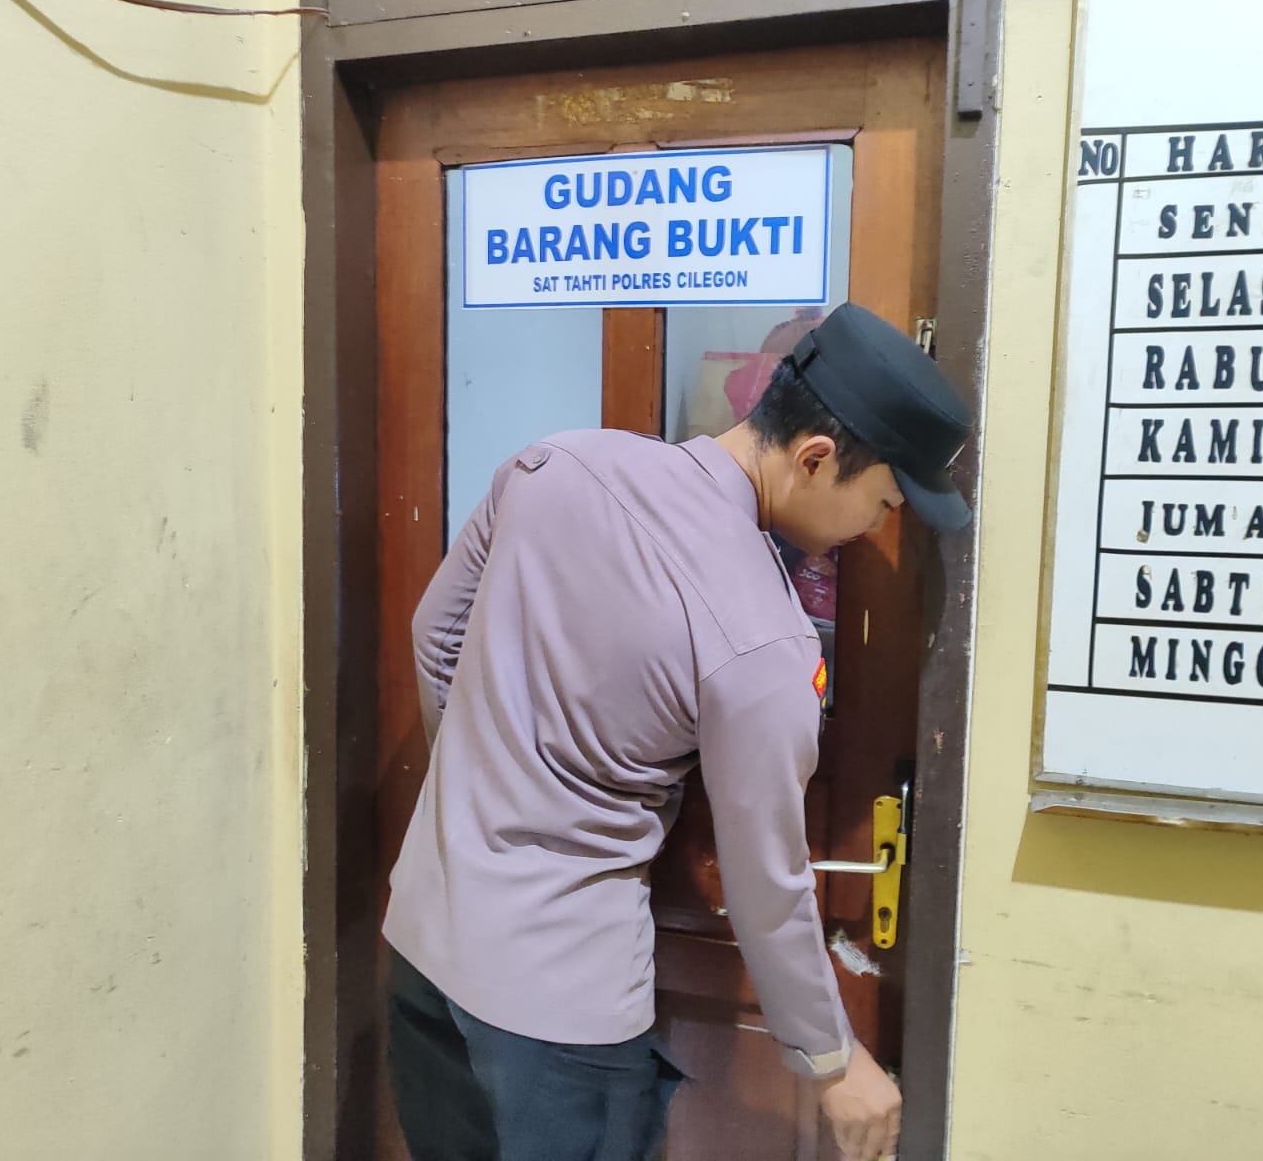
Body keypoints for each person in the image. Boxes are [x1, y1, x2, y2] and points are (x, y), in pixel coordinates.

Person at [383, 301, 973, 1161]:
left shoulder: (560, 462)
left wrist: (488, 780)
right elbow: (766, 881)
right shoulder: (764, 641)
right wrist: (833, 1060)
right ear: (816, 458)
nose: (876, 529)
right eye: (882, 502)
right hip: (559, 1016)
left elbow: (435, 635)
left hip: (422, 949)